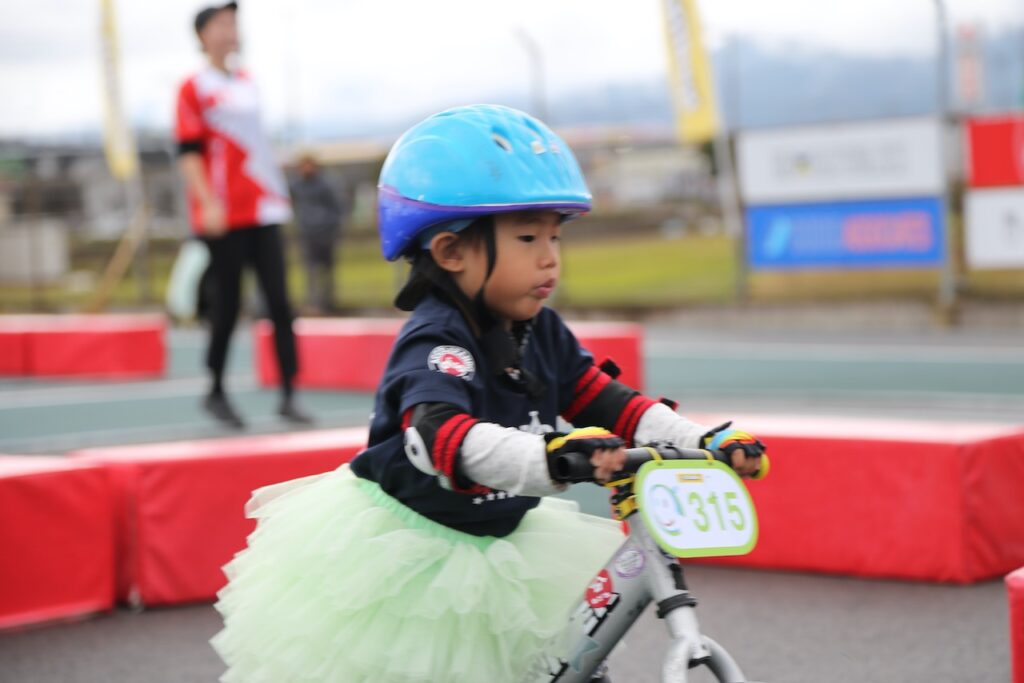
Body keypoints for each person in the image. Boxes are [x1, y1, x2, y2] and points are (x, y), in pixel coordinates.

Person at [210, 105, 765, 682]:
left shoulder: (540, 330)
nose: (549, 256)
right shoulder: (437, 339)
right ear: (451, 252)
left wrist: (705, 439)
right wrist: (550, 457)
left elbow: (611, 403)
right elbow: (441, 435)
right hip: (410, 557)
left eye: (554, 235)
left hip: (503, 542)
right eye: (527, 237)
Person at [174, 2, 311, 428]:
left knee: (280, 303)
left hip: (264, 207)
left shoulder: (249, 82)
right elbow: (189, 153)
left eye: (233, 22)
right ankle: (216, 390)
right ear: (202, 35)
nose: (230, 29)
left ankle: (289, 393)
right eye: (220, 23)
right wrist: (207, 203)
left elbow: (257, 146)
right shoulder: (193, 87)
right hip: (225, 214)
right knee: (228, 304)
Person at [290, 153, 346, 314]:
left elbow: (337, 207)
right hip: (307, 233)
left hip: (326, 232)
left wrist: (333, 227)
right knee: (310, 269)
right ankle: (313, 303)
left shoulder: (326, 184)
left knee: (327, 269)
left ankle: (328, 302)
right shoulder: (296, 185)